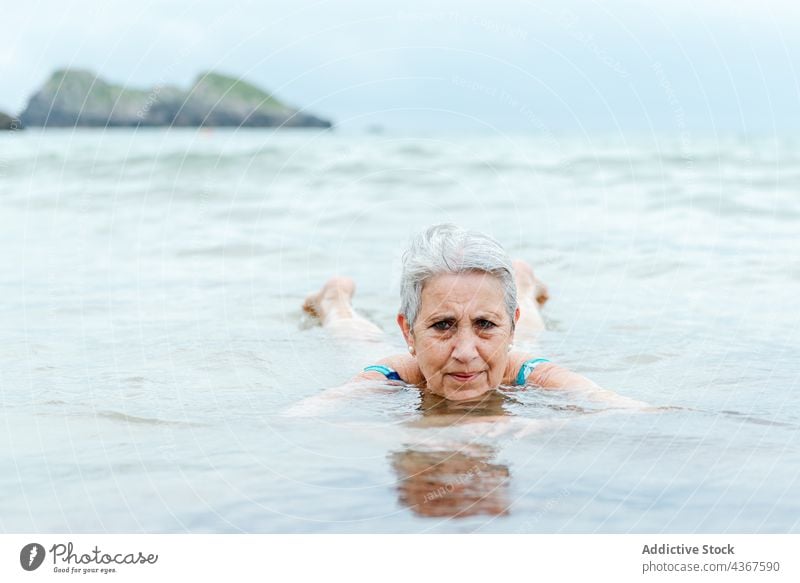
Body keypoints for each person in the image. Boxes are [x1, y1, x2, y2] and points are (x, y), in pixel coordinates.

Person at [300, 223, 640, 405]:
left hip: (517, 341)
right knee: (351, 335)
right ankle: (334, 298)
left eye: (485, 325)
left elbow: (615, 406)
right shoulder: (394, 374)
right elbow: (308, 414)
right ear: (408, 332)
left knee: (532, 332)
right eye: (442, 325)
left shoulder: (529, 371)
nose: (465, 353)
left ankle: (521, 282)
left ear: (510, 329)